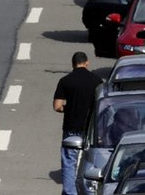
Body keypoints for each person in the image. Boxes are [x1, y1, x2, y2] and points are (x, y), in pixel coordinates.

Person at [53, 51, 102, 195]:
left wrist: (70, 108)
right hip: (91, 129)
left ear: (73, 64)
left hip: (71, 128)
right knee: (91, 161)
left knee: (69, 162)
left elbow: (57, 106)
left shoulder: (65, 81)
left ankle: (70, 192)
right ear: (87, 62)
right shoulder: (97, 81)